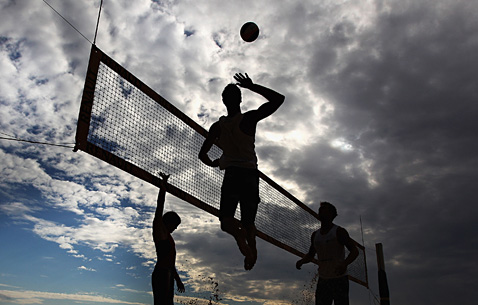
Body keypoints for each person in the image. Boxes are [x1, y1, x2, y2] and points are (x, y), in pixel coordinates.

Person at [199, 73, 285, 270]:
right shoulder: (249, 119)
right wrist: (251, 86)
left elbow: (202, 155)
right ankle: (251, 254)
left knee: (227, 222)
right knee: (249, 224)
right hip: (250, 175)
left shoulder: (217, 127)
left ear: (223, 100)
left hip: (232, 174)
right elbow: (279, 99)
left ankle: (240, 238)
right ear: (240, 99)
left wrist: (215, 164)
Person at [296, 202, 359, 305]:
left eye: (324, 209)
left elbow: (355, 251)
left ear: (331, 214)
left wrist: (344, 264)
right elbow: (311, 255)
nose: (321, 211)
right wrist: (301, 261)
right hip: (323, 279)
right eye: (320, 209)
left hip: (339, 279)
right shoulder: (315, 235)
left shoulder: (339, 231)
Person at [152, 173, 185, 304]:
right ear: (168, 222)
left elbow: (171, 262)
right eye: (175, 225)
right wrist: (163, 186)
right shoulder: (160, 230)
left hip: (168, 274)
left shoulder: (169, 237)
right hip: (161, 273)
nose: (175, 228)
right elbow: (159, 206)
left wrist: (178, 280)